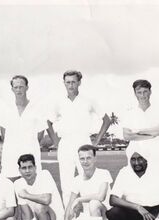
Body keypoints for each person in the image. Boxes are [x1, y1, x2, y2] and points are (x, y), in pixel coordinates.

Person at [47, 70, 111, 203]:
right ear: (64, 83)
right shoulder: (58, 102)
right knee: (66, 185)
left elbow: (106, 120)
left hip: (84, 143)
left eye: (73, 82)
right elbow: (48, 122)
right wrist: (56, 142)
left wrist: (96, 142)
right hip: (65, 144)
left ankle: (90, 218)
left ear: (79, 82)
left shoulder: (88, 101)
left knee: (87, 182)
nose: (71, 85)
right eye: (68, 82)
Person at [61, 145, 113, 220]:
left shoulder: (103, 173)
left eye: (88, 158)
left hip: (106, 217)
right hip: (88, 217)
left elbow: (100, 197)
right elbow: (70, 203)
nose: (85, 161)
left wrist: (80, 199)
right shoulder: (77, 179)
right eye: (82, 158)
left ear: (95, 158)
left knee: (94, 203)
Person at [8, 154, 65, 220]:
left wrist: (26, 195)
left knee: (39, 207)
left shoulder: (44, 175)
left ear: (35, 168)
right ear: (19, 170)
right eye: (24, 168)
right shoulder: (18, 184)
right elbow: (26, 213)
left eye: (30, 167)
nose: (27, 171)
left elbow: (46, 200)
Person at [0, 75, 47, 180]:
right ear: (12, 89)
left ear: (27, 87)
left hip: (30, 152)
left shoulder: (37, 108)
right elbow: (4, 134)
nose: (18, 90)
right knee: (10, 188)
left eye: (21, 87)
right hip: (10, 154)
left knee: (32, 187)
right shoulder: (6, 109)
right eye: (16, 87)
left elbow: (40, 135)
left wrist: (28, 143)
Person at [122, 79, 159, 171]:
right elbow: (127, 135)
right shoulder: (129, 112)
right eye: (139, 92)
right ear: (135, 94)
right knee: (136, 183)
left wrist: (138, 131)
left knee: (156, 182)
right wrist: (153, 134)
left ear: (150, 92)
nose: (142, 95)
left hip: (155, 153)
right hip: (135, 153)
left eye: (145, 92)